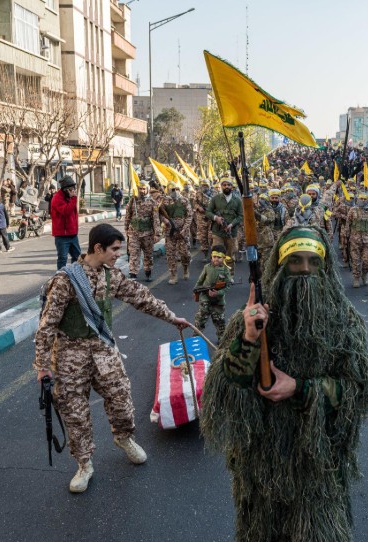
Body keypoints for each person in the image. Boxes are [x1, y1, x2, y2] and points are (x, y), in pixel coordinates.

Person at [200, 225, 368, 542]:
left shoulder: (343, 322)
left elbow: (356, 392)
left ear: (325, 267)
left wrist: (301, 388)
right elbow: (223, 393)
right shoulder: (253, 319)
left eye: (313, 261)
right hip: (260, 472)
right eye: (295, 261)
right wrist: (248, 339)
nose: (305, 270)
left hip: (318, 473)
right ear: (280, 268)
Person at [34, 223, 190, 493]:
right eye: (115, 249)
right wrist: (42, 366)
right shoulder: (66, 281)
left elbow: (141, 297)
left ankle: (124, 437)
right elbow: (47, 325)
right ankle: (84, 464)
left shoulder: (111, 277)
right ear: (98, 248)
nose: (119, 253)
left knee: (121, 398)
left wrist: (172, 317)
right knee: (75, 412)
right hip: (70, 355)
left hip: (103, 350)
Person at [192, 247, 232, 339]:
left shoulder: (225, 270)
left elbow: (227, 286)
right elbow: (200, 281)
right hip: (205, 297)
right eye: (214, 257)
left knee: (219, 321)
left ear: (224, 258)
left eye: (219, 257)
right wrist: (195, 290)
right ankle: (196, 338)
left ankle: (221, 339)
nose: (216, 259)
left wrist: (218, 293)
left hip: (218, 301)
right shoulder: (207, 267)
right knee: (200, 319)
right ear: (211, 257)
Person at [124, 182, 160, 280]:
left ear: (147, 189)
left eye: (144, 189)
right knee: (134, 253)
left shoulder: (152, 202)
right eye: (140, 189)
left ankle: (148, 272)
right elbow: (128, 215)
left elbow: (156, 219)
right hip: (134, 232)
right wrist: (126, 228)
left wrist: (157, 234)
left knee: (148, 254)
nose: (142, 191)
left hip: (147, 233)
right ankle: (133, 273)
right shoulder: (133, 201)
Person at [159, 186, 193, 285]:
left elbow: (189, 215)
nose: (175, 191)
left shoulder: (185, 200)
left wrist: (184, 229)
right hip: (169, 232)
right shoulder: (164, 201)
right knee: (170, 254)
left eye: (176, 189)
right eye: (172, 189)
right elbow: (159, 213)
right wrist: (164, 220)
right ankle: (173, 275)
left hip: (182, 232)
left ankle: (185, 268)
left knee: (185, 253)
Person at [206, 178, 243, 259]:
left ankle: (229, 267)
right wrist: (216, 218)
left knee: (230, 257)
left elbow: (241, 216)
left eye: (229, 185)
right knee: (217, 255)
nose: (226, 186)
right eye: (224, 185)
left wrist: (232, 224)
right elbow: (208, 212)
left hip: (231, 233)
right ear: (221, 186)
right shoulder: (215, 198)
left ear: (232, 186)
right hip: (218, 232)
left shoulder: (237, 200)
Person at [51, 176, 81, 270]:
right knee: (63, 258)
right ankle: (60, 275)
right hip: (62, 235)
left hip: (73, 234)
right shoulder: (57, 198)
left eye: (74, 189)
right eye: (71, 189)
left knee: (77, 256)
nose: (73, 191)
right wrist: (74, 198)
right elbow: (66, 212)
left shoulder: (70, 198)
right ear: (65, 189)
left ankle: (75, 273)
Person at [347, 192, 368, 287]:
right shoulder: (352, 210)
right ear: (357, 200)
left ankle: (364, 274)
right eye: (361, 199)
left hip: (367, 240)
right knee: (355, 260)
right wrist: (347, 237)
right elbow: (348, 223)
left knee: (367, 260)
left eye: (364, 199)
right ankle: (356, 278)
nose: (363, 200)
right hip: (355, 239)